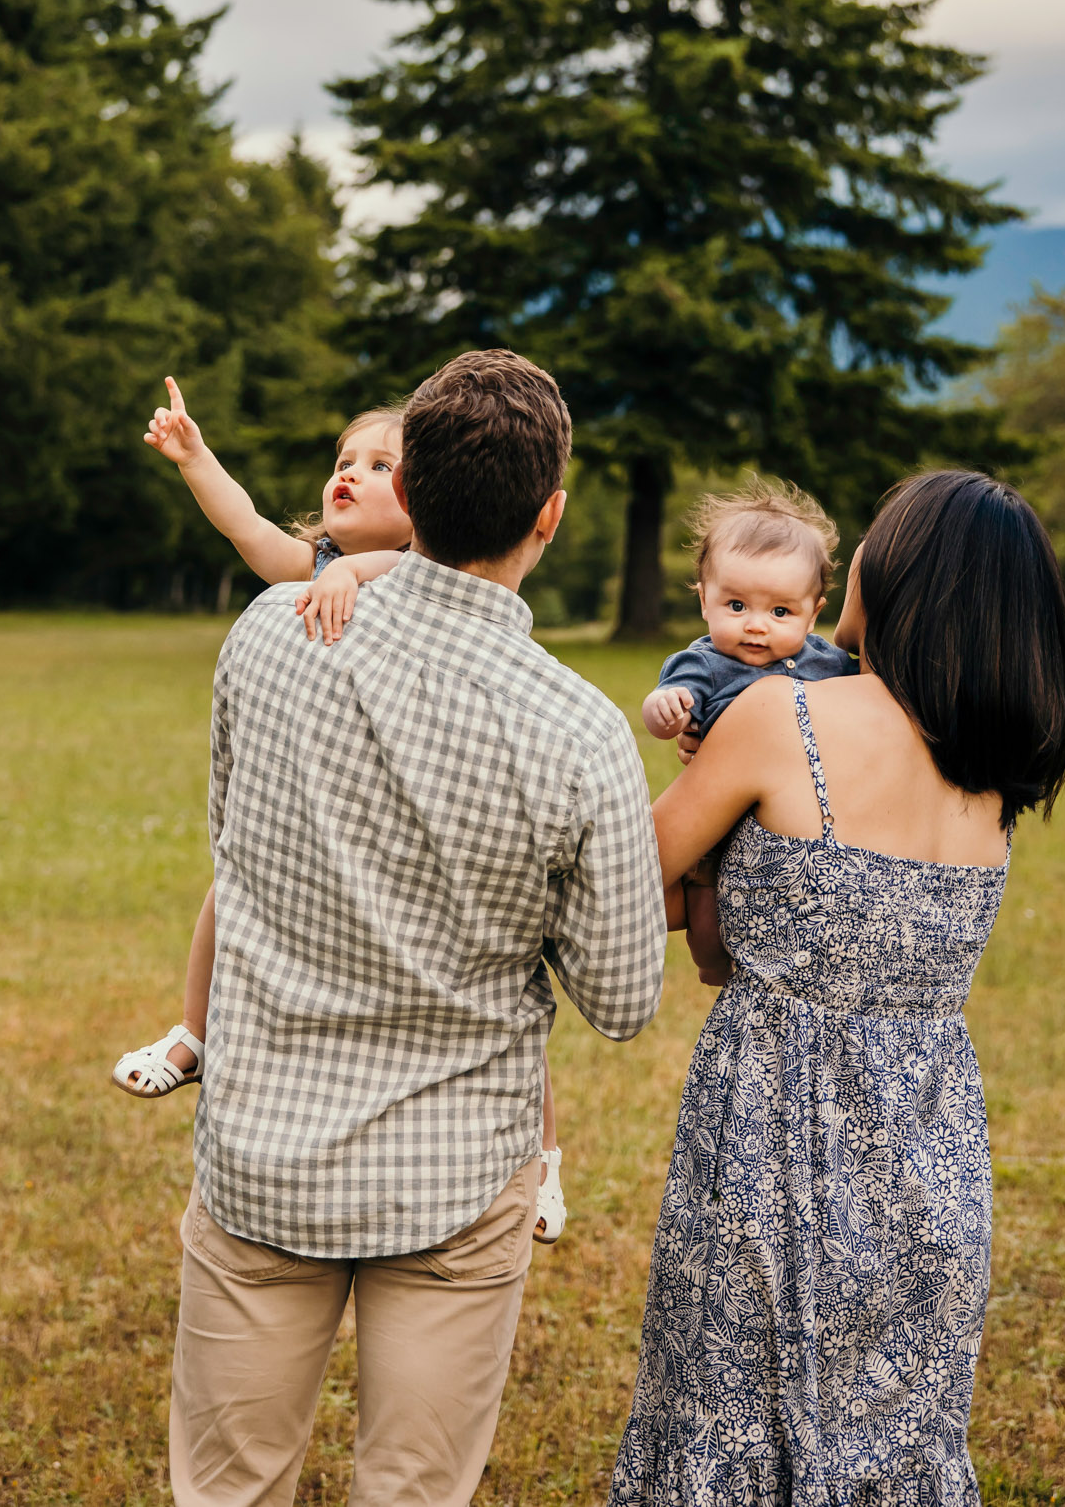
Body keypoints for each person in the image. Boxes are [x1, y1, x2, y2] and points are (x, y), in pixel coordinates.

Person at [170, 348, 667, 1507]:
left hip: (261, 1149)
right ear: (548, 515)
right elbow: (623, 999)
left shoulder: (268, 632)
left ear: (418, 488)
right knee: (412, 1491)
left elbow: (229, 847)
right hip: (453, 1171)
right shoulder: (579, 730)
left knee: (227, 1486)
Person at [612, 469, 1065, 1507]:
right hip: (932, 1159)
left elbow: (623, 883)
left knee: (729, 1423)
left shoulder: (787, 715)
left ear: (894, 571)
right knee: (891, 1447)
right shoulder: (992, 763)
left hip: (772, 1140)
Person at [114, 379, 573, 1242]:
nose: (350, 476)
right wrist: (195, 457)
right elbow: (248, 529)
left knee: (508, 985)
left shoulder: (411, 574)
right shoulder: (314, 569)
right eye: (343, 462)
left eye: (379, 466)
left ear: (427, 502)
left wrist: (359, 570)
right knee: (232, 880)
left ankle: (541, 1158)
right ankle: (194, 1032)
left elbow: (395, 568)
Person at [639, 481, 856, 984]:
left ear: (814, 612)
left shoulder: (827, 661)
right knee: (709, 930)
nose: (756, 625)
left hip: (795, 824)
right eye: (736, 606)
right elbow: (659, 707)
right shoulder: (706, 663)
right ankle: (717, 969)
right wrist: (665, 712)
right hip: (717, 822)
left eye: (780, 612)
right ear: (704, 602)